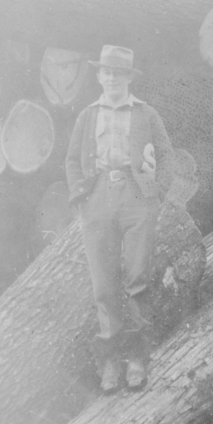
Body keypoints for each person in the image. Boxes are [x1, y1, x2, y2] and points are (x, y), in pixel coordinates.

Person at [65, 45, 175, 393]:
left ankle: (138, 358)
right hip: (97, 196)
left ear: (129, 78)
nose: (112, 79)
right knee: (103, 282)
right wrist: (81, 195)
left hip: (135, 196)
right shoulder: (87, 116)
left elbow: (168, 155)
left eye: (119, 73)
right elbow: (70, 160)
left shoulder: (146, 114)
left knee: (138, 276)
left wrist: (153, 191)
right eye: (107, 72)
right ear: (99, 76)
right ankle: (110, 360)